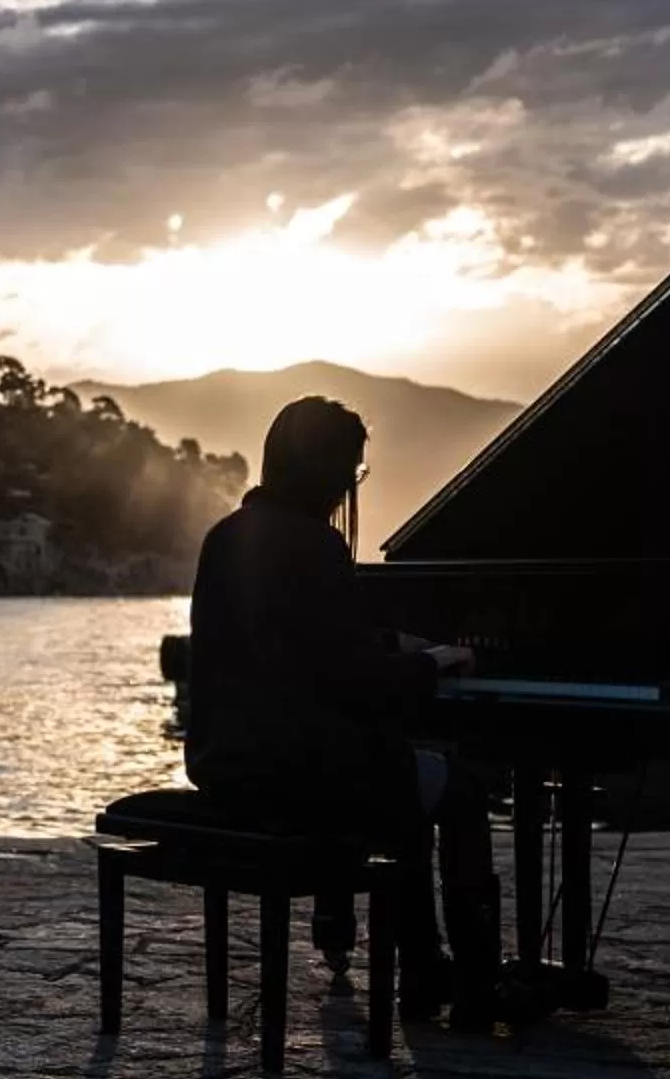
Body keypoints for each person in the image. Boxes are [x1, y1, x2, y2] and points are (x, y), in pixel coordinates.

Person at [183, 395, 500, 1023]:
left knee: (401, 778)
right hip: (302, 776)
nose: (349, 487)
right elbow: (355, 682)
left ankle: (422, 969)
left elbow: (300, 642)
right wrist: (432, 663)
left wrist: (395, 649)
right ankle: (472, 981)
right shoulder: (315, 546)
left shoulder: (225, 537)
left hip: (227, 765)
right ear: (330, 472)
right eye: (352, 472)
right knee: (458, 791)